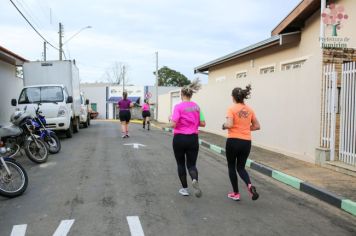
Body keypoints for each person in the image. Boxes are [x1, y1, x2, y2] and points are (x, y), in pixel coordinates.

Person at [222, 85, 260, 201]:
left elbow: (229, 124)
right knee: (241, 167)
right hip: (246, 142)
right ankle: (249, 185)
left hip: (233, 141)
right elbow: (257, 126)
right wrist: (246, 129)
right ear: (243, 97)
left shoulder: (231, 109)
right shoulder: (250, 110)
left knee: (231, 166)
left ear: (233, 97)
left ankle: (236, 193)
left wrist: (223, 126)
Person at [169, 79, 206, 198]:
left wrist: (170, 118)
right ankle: (194, 179)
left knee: (180, 164)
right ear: (191, 95)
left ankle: (185, 189)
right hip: (193, 139)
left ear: (182, 95)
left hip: (179, 138)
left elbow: (173, 124)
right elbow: (203, 123)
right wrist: (193, 122)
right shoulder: (196, 107)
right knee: (191, 164)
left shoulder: (178, 107)